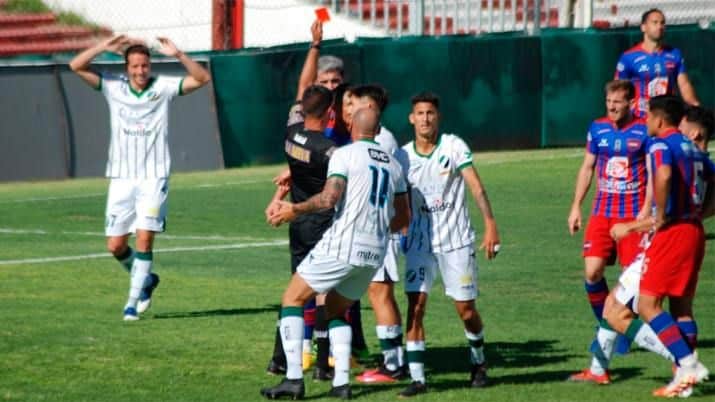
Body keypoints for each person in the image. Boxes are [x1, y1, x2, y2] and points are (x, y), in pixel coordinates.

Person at [260, 107, 410, 400]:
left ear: (351, 125)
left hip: (344, 244)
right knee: (335, 309)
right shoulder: (393, 165)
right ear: (378, 131)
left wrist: (295, 208)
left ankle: (292, 380)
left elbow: (329, 198)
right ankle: (341, 384)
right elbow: (403, 218)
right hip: (374, 252)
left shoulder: (345, 154)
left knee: (292, 298)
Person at [68, 35, 210, 321]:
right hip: (121, 176)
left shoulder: (163, 86)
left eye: (144, 65)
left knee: (145, 238)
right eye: (134, 66)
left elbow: (202, 78)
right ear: (127, 67)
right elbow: (76, 65)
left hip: (153, 176)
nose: (140, 71)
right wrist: (101, 48)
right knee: (115, 246)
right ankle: (147, 280)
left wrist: (179, 53)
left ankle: (132, 303)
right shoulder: (112, 86)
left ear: (149, 65)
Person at [607, 96, 711, 397]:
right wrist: (699, 213)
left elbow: (663, 174)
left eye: (648, 116)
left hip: (672, 232)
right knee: (682, 308)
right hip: (694, 230)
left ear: (659, 119)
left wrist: (661, 214)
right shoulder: (695, 149)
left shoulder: (660, 145)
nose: (645, 121)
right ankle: (684, 381)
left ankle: (688, 363)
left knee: (647, 305)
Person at [397, 92, 500, 397]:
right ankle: (417, 379)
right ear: (411, 118)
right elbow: (397, 199)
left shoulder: (454, 146)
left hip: (456, 241)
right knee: (415, 307)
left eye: (430, 113)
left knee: (466, 310)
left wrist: (490, 224)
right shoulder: (402, 157)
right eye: (420, 113)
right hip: (419, 244)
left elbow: (476, 186)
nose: (425, 119)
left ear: (437, 117)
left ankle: (478, 361)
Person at [566, 80, 652, 382]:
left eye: (618, 102)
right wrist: (576, 205)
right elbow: (588, 167)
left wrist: (646, 210)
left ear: (632, 102)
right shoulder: (597, 128)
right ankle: (615, 327)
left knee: (631, 283)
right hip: (602, 215)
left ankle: (617, 331)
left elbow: (654, 174)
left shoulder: (643, 131)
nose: (613, 107)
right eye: (609, 101)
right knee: (592, 273)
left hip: (631, 218)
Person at [264, 85, 338, 378]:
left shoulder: (291, 134)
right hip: (320, 220)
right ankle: (322, 365)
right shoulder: (328, 150)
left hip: (298, 224)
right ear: (330, 113)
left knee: (296, 290)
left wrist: (314, 48)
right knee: (323, 293)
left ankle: (278, 358)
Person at [615, 8, 699, 118]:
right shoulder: (628, 57)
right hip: (639, 118)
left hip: (667, 118)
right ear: (643, 27)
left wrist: (695, 106)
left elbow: (684, 85)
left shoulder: (674, 54)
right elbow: (618, 89)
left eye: (662, 23)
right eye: (655, 22)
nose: (659, 26)